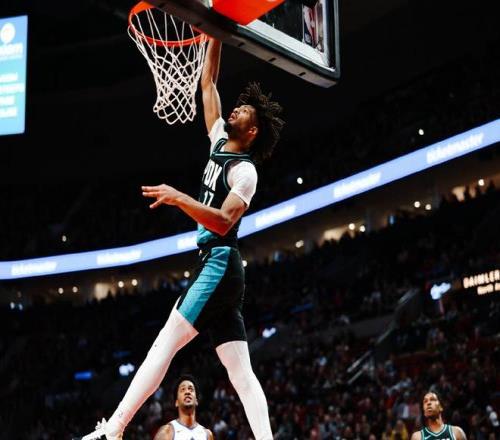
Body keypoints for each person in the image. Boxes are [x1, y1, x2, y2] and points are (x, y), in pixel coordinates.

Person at [76, 38, 284, 440]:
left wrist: (179, 198)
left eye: (244, 111)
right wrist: (213, 33)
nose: (236, 108)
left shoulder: (245, 172)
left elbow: (223, 222)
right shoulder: (219, 138)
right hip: (217, 268)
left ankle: (114, 430)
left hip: (219, 262)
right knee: (241, 371)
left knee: (165, 343)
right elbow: (208, 83)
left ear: (253, 130)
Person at [153, 375, 213, 440]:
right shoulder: (167, 432)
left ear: (196, 401)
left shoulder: (207, 434)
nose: (187, 392)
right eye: (182, 389)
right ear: (176, 402)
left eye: (191, 389)